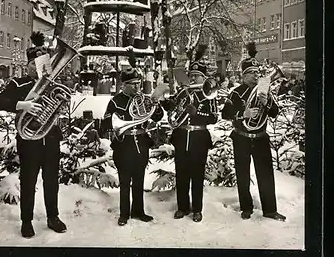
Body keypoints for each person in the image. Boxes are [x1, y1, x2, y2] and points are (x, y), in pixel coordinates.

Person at [0, 31, 67, 238]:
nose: (42, 68)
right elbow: (0, 102)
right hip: (28, 141)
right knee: (29, 181)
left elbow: (59, 104)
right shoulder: (18, 84)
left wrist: (59, 105)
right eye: (37, 64)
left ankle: (53, 216)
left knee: (52, 180)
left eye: (45, 64)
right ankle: (26, 221)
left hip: (51, 139)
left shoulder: (52, 84)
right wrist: (22, 104)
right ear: (29, 65)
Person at [221, 42, 286, 222]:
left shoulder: (264, 88)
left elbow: (274, 113)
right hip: (241, 138)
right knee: (242, 174)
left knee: (265, 174)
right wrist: (244, 113)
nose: (257, 76)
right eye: (253, 73)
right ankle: (246, 207)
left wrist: (267, 103)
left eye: (258, 73)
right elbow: (225, 113)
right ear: (244, 76)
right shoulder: (235, 93)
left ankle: (270, 210)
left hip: (260, 138)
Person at [100, 52, 164, 226]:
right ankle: (124, 213)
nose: (137, 88)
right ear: (124, 85)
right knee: (125, 181)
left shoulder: (143, 99)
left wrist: (156, 104)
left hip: (141, 143)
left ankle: (138, 211)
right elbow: (105, 124)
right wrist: (117, 119)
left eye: (138, 84)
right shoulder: (116, 101)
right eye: (133, 85)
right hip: (124, 145)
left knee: (139, 179)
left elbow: (157, 117)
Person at [161, 58, 218, 222]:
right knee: (182, 174)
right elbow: (173, 112)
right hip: (181, 137)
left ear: (203, 78)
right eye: (191, 75)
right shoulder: (183, 92)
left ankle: (197, 209)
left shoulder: (209, 93)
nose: (193, 78)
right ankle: (182, 207)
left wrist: (197, 114)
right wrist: (169, 104)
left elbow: (214, 118)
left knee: (197, 176)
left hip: (199, 139)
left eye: (197, 75)